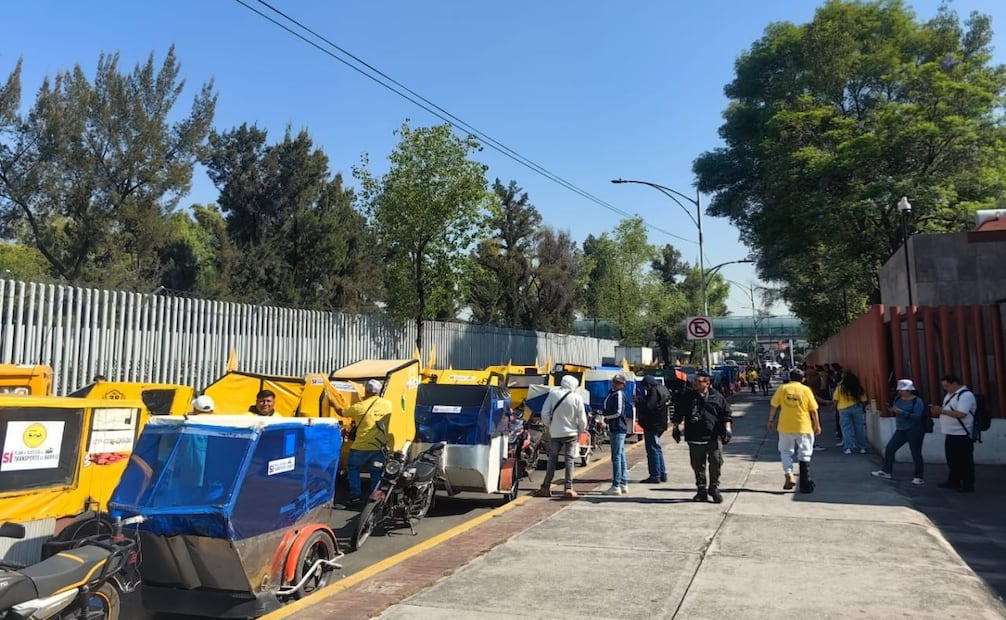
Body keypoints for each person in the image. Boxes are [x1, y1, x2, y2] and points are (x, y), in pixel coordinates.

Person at [672, 370, 733, 503]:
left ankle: (713, 487)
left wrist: (728, 430)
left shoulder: (717, 397)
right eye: (694, 381)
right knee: (698, 465)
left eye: (698, 381)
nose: (694, 383)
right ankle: (701, 490)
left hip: (713, 436)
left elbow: (726, 414)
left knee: (716, 462)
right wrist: (675, 428)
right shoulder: (687, 397)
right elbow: (678, 414)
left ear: (707, 383)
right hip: (694, 436)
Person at [533, 375, 588, 499]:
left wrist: (550, 425)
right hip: (572, 434)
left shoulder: (553, 394)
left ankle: (545, 487)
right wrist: (580, 431)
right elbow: (582, 420)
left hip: (556, 433)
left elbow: (545, 413)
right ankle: (568, 488)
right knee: (569, 460)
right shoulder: (577, 398)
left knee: (552, 460)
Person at [767, 368, 821, 493]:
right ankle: (805, 483)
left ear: (790, 378)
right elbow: (813, 409)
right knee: (805, 453)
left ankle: (789, 474)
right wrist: (817, 424)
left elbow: (774, 405)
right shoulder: (806, 390)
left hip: (785, 426)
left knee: (785, 452)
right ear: (803, 379)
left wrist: (770, 420)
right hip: (803, 426)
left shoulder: (783, 389)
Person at [343, 379, 393, 506]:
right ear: (379, 391)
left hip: (360, 447)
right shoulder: (388, 404)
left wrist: (333, 402)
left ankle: (356, 496)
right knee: (376, 472)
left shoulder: (360, 407)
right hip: (378, 447)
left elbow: (342, 412)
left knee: (353, 468)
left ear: (366, 391)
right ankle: (375, 497)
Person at [871, 379, 926, 484]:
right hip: (901, 429)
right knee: (890, 448)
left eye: (902, 390)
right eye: (900, 390)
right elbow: (896, 412)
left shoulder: (917, 401)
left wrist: (902, 413)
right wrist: (893, 411)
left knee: (916, 452)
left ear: (909, 390)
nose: (900, 392)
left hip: (915, 429)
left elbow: (917, 417)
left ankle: (919, 476)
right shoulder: (898, 399)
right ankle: (886, 471)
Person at [930, 374, 977, 493]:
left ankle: (967, 484)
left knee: (965, 461)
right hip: (950, 432)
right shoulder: (950, 395)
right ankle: (954, 481)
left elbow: (961, 413)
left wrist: (942, 411)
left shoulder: (965, 395)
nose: (945, 388)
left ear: (955, 383)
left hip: (962, 433)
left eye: (947, 385)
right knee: (952, 459)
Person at [636, 375, 671, 484]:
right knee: (657, 448)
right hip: (661, 423)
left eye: (645, 387)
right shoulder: (663, 389)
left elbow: (649, 406)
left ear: (649, 385)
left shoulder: (654, 391)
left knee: (652, 450)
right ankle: (662, 473)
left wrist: (639, 402)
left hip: (652, 424)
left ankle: (655, 475)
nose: (645, 389)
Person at [601, 373, 632, 496]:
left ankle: (616, 484)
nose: (615, 384)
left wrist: (606, 418)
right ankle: (623, 482)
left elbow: (618, 412)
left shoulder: (618, 394)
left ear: (622, 385)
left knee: (617, 457)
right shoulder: (611, 393)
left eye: (618, 382)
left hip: (618, 427)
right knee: (621, 455)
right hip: (615, 427)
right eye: (614, 381)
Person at [833, 371, 869, 454]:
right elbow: (864, 400)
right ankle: (862, 448)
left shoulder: (840, 388)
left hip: (843, 409)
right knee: (859, 428)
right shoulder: (858, 388)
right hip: (857, 408)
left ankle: (848, 448)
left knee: (846, 429)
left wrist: (834, 410)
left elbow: (835, 400)